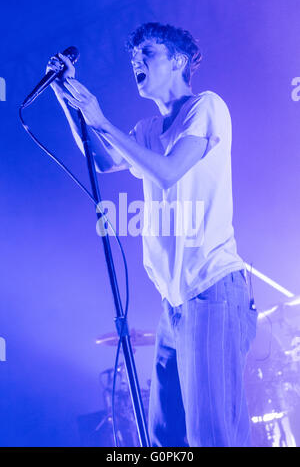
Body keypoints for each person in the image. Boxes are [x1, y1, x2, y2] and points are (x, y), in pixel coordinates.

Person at [48, 22, 257, 447]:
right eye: (132, 58)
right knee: (167, 440)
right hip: (175, 303)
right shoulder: (146, 130)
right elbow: (103, 160)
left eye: (147, 53)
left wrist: (101, 118)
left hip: (213, 289)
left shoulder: (206, 106)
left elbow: (165, 172)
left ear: (178, 61)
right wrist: (65, 95)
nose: (135, 62)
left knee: (211, 437)